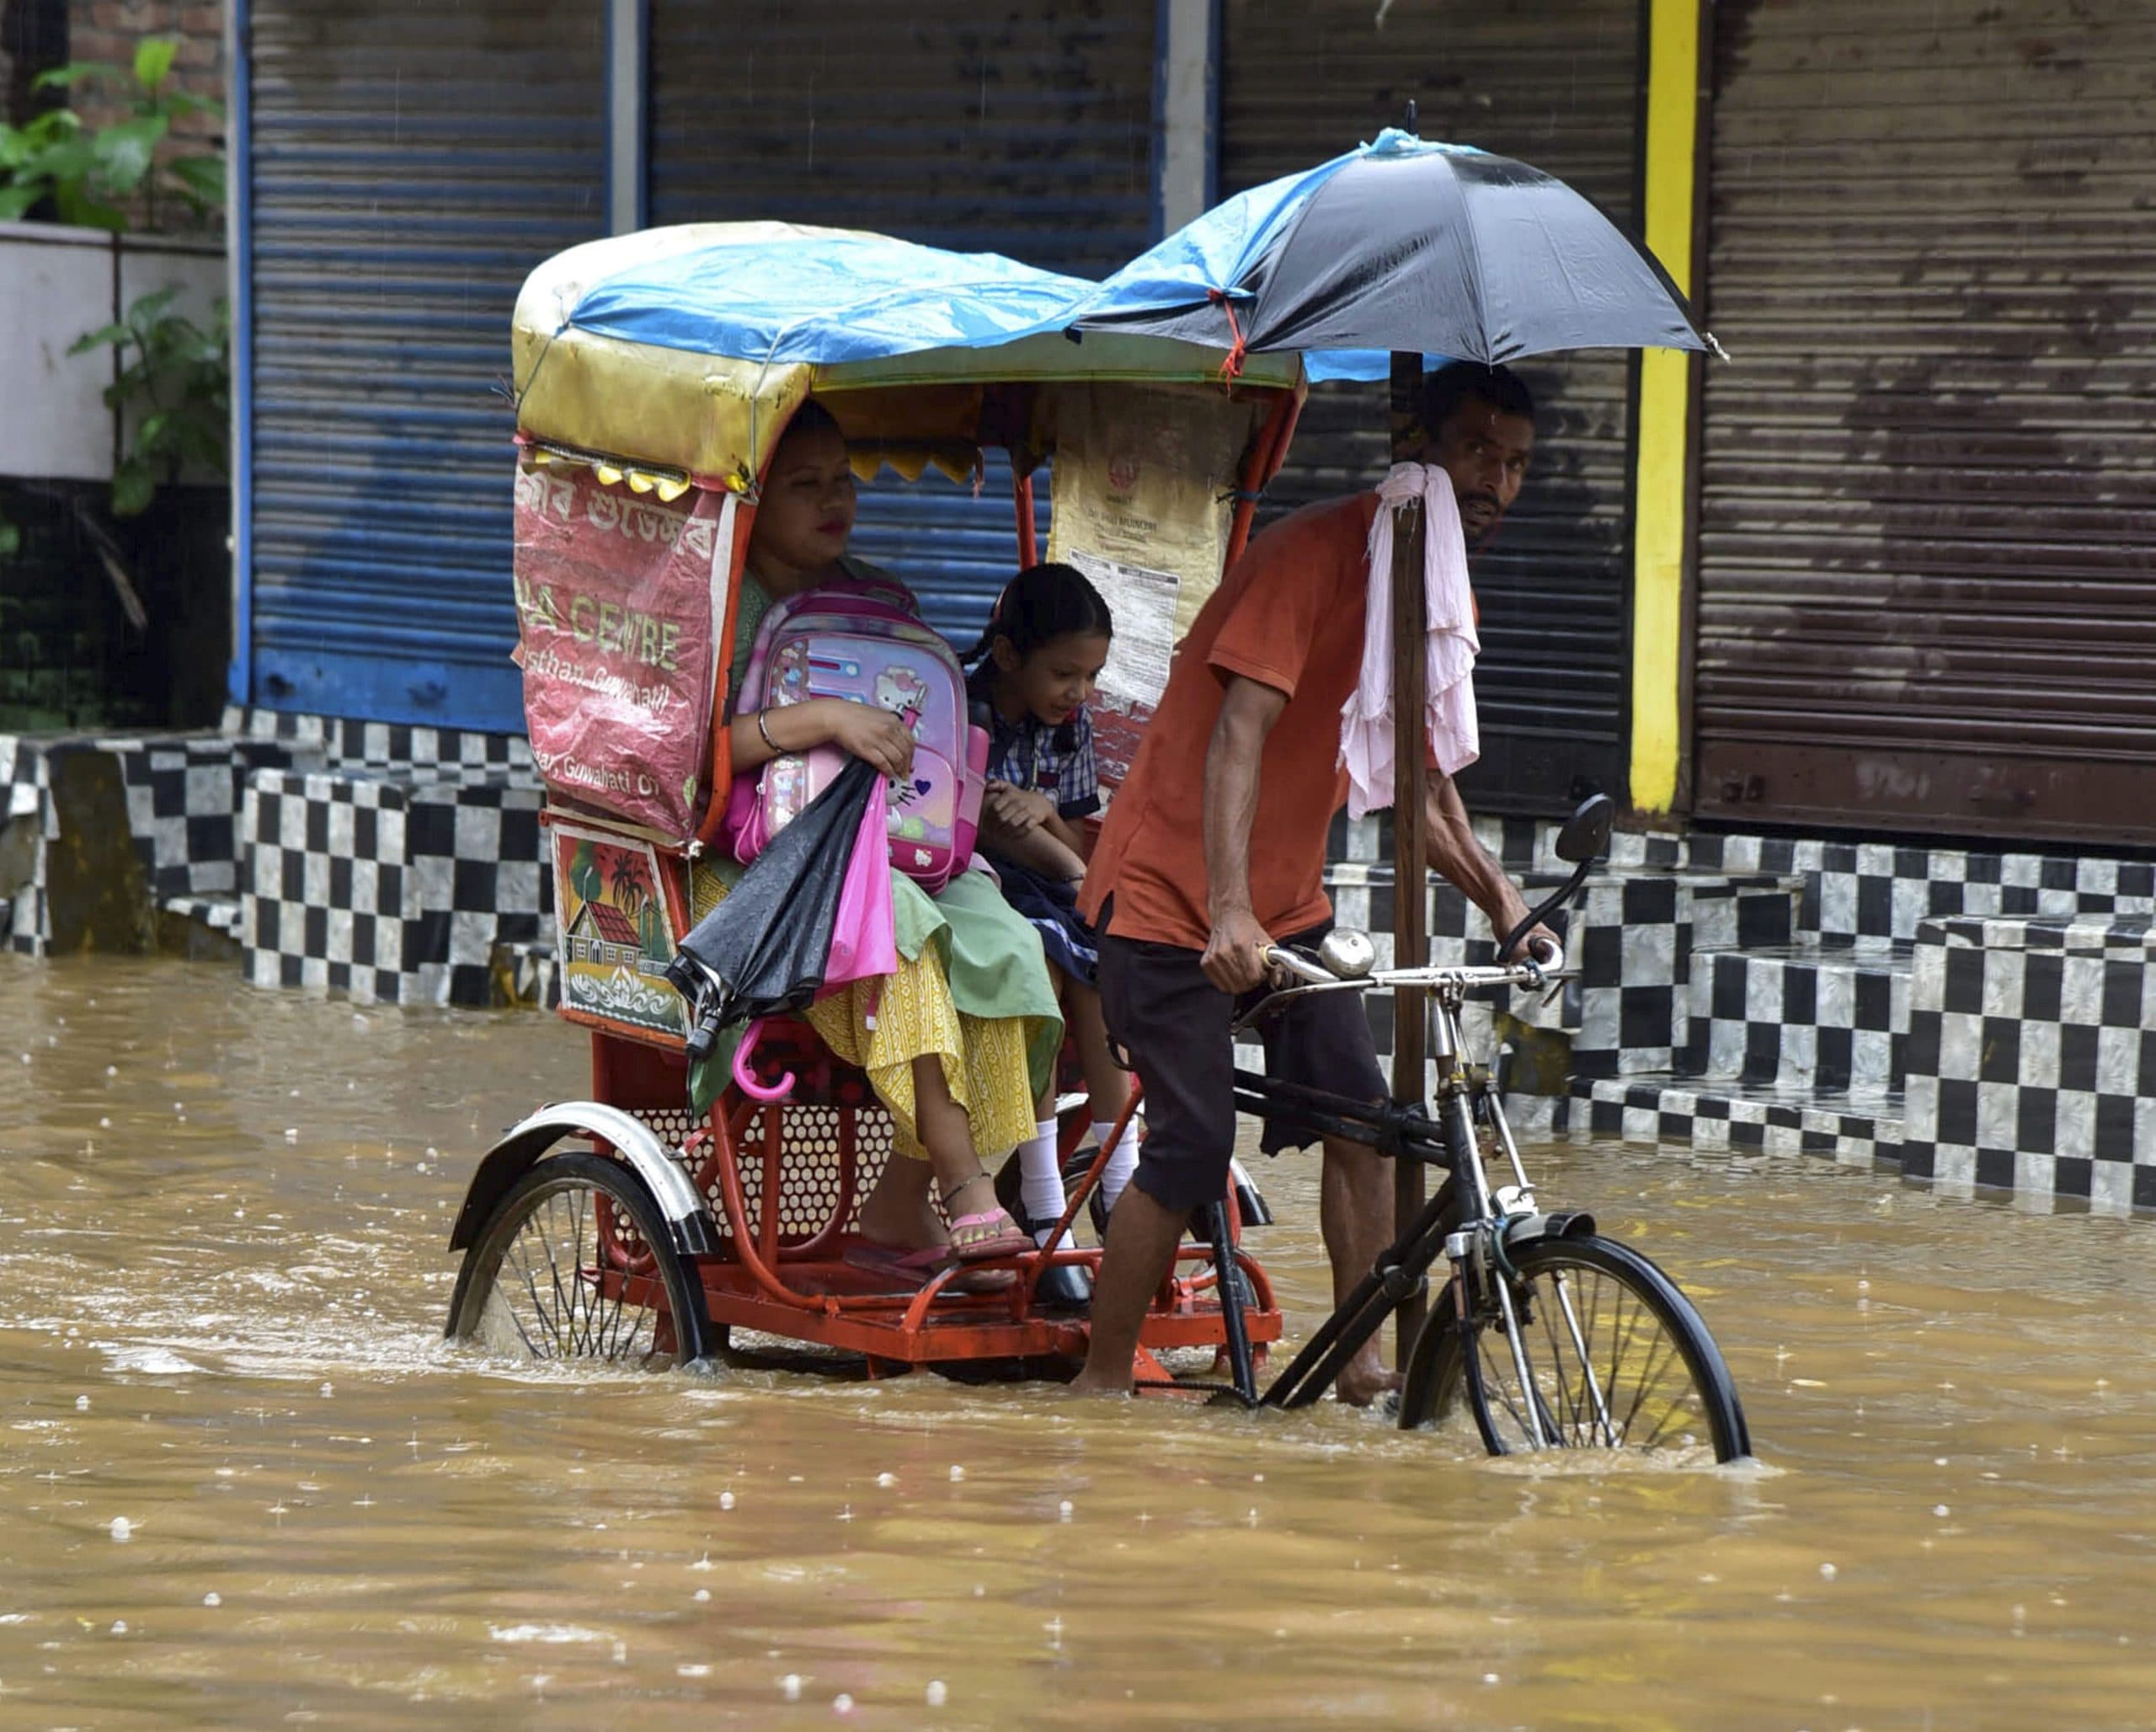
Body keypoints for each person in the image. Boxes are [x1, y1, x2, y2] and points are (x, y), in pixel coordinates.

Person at [1067, 361, 1555, 1401]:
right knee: (1194, 1143)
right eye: (1475, 452)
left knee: (1364, 1118)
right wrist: (1227, 906)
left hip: (1286, 909)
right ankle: (1099, 1388)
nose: (1496, 483)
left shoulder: (1433, 580)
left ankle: (1364, 1361)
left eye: (1514, 465)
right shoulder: (1312, 553)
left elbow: (1422, 780)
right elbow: (1239, 730)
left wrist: (1509, 909)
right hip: (1164, 902)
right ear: (1411, 441)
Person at [712, 400, 1061, 1285]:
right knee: (898, 931)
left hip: (903, 848)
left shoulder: (881, 599)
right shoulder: (717, 605)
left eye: (843, 481)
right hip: (766, 876)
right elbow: (695, 758)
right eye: (804, 485)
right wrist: (826, 716)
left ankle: (900, 1198)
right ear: (756, 492)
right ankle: (967, 1189)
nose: (834, 501)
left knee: (1011, 941)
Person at [958, 563, 1139, 1261]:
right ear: (1009, 656)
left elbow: (1071, 839)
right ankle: (1040, 1198)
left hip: (1050, 884)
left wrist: (1041, 816)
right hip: (978, 888)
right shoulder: (961, 707)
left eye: (1091, 676)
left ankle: (1120, 1184)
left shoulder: (1072, 728)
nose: (1080, 692)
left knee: (1099, 977)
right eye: (1066, 674)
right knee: (1046, 974)